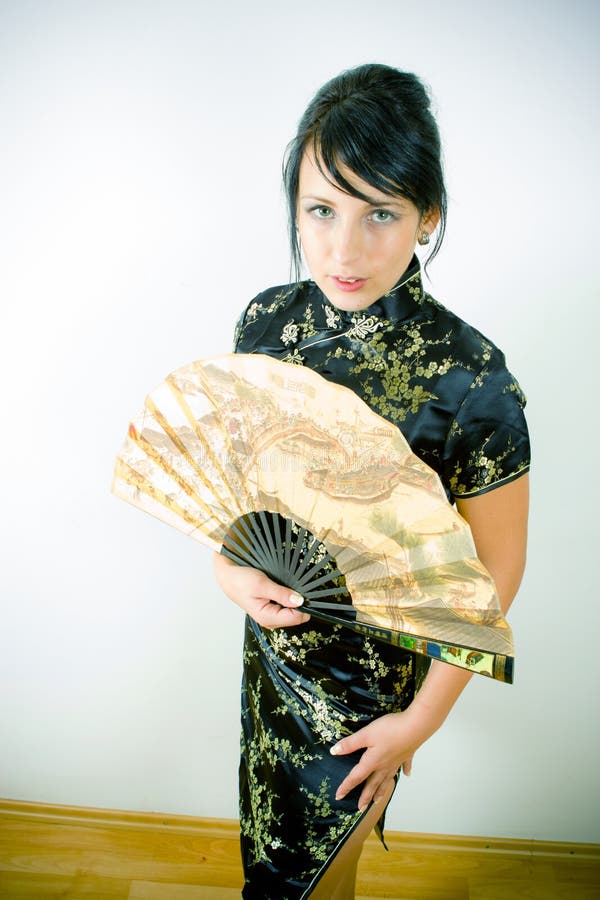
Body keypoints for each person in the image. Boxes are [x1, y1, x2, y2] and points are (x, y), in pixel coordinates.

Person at [213, 63, 530, 900]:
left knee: (310, 884)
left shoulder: (473, 378)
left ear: (428, 215)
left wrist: (419, 723)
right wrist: (226, 568)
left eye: (379, 214)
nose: (343, 250)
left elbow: (496, 575)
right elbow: (247, 499)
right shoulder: (265, 322)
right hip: (268, 657)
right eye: (322, 210)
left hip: (368, 695)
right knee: (268, 872)